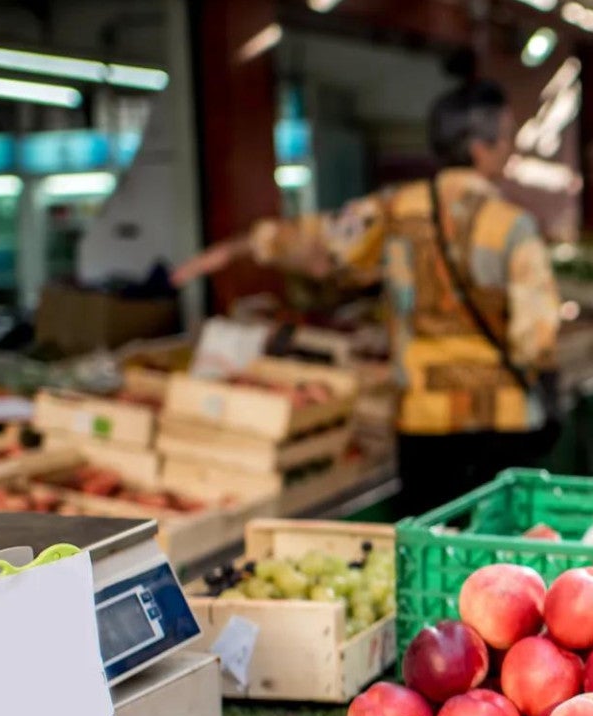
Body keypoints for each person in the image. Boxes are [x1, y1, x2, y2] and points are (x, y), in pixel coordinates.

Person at [174, 54, 561, 515]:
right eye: (506, 138)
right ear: (480, 147)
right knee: (502, 559)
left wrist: (238, 247)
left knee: (429, 551)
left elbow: (321, 238)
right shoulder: (513, 226)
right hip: (503, 420)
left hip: (423, 422)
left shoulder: (394, 210)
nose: (510, 149)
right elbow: (537, 336)